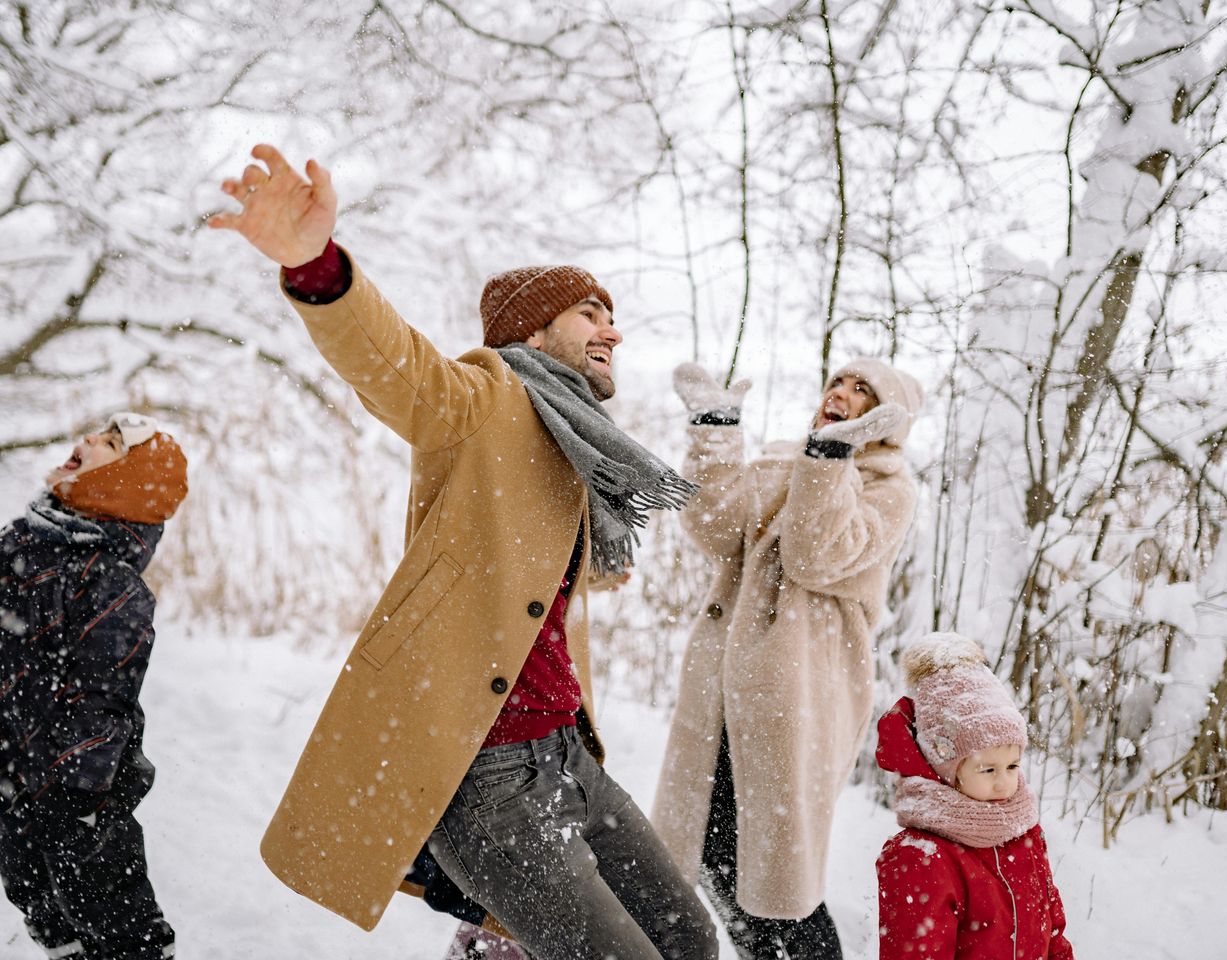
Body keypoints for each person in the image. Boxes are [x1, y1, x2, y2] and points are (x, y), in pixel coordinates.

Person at [209, 144, 717, 960]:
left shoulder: (577, 443)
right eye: (589, 312)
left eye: (609, 314)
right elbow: (395, 366)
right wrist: (317, 268)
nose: (611, 330)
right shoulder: (485, 399)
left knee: (689, 936)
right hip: (487, 775)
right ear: (533, 329)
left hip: (567, 756)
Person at [651, 358, 922, 958]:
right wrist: (716, 431)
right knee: (715, 859)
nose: (842, 394)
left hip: (797, 699)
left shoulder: (889, 489)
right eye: (839, 383)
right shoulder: (782, 457)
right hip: (723, 695)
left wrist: (830, 463)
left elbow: (813, 556)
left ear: (888, 422)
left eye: (864, 392)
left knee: (778, 884)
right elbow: (716, 528)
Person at [0, 413, 188, 960]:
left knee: (108, 903)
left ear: (126, 482)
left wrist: (75, 795)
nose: (84, 440)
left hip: (81, 789)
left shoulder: (111, 583)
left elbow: (104, 698)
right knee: (34, 894)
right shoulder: (21, 543)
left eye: (108, 443)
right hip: (14, 768)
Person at [875, 632, 1074, 959]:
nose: (1003, 784)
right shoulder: (922, 856)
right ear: (947, 770)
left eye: (1012, 766)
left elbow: (1053, 932)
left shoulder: (1023, 834)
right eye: (988, 770)